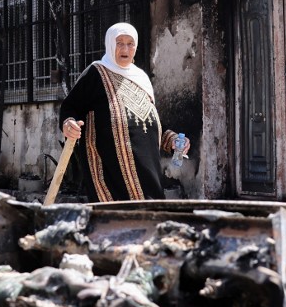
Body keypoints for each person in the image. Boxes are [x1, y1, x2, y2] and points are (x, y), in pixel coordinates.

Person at [60, 22, 190, 202]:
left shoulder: (141, 79)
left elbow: (149, 123)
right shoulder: (96, 73)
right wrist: (68, 123)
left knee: (148, 221)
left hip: (148, 177)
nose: (125, 48)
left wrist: (173, 140)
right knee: (116, 223)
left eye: (130, 43)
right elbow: (70, 106)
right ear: (110, 44)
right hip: (108, 176)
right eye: (119, 42)